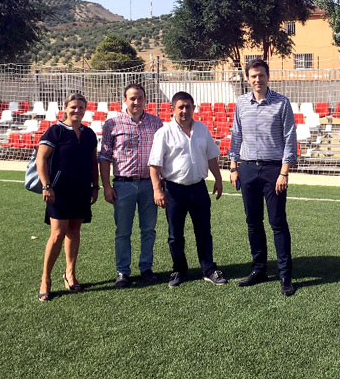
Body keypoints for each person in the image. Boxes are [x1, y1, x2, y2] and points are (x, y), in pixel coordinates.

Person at [229, 59, 297, 296]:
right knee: (253, 222)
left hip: (273, 171)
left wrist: (284, 172)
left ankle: (285, 275)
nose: (257, 79)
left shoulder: (281, 103)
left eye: (261, 75)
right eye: (253, 76)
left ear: (268, 77)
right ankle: (259, 269)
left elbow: (290, 138)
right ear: (247, 79)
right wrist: (233, 167)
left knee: (278, 223)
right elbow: (236, 134)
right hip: (247, 170)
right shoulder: (241, 104)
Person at [149, 91, 228, 288]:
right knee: (175, 234)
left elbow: (211, 157)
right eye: (181, 107)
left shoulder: (202, 129)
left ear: (194, 108)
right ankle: (179, 269)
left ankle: (209, 269)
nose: (185, 111)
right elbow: (154, 165)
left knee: (204, 231)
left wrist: (218, 179)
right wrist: (157, 190)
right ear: (172, 109)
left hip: (199, 189)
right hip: (174, 190)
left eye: (188, 107)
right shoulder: (164, 132)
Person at [99, 84, 163, 288]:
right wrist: (106, 186)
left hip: (149, 184)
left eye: (140, 98)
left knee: (149, 230)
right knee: (123, 231)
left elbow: (163, 155)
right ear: (124, 100)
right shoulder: (112, 124)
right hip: (123, 185)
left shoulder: (156, 123)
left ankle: (146, 268)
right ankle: (123, 272)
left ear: (145, 100)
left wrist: (160, 186)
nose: (136, 102)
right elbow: (104, 157)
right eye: (132, 98)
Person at [37, 93, 99, 301]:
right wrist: (46, 185)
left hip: (81, 190)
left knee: (74, 230)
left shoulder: (89, 134)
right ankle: (46, 278)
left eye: (81, 107)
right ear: (65, 108)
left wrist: (95, 186)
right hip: (59, 191)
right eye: (73, 107)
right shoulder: (55, 131)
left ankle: (70, 273)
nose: (77, 111)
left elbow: (93, 162)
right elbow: (41, 160)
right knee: (57, 234)